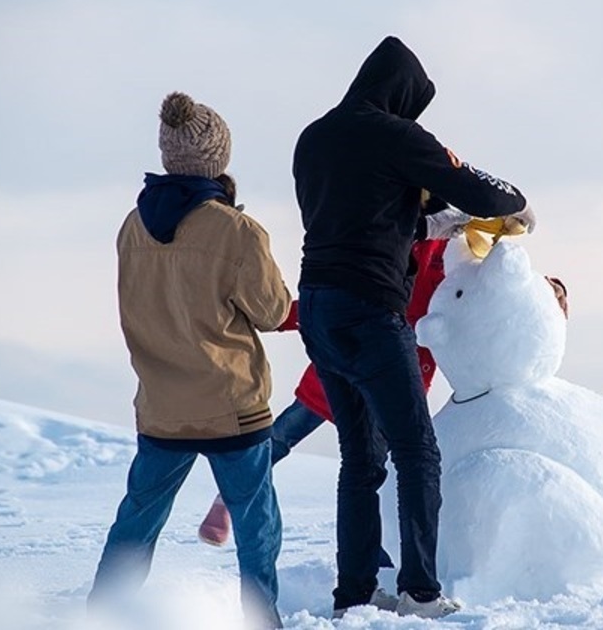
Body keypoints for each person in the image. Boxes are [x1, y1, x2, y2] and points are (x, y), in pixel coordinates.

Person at [291, 36, 535, 619]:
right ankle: (420, 591)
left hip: (318, 307)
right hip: (372, 310)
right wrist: (513, 202)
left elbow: (360, 218)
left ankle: (353, 592)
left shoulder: (313, 138)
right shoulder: (396, 135)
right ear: (403, 95)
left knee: (360, 458)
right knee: (417, 452)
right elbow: (474, 184)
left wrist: (428, 223)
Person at [88, 91, 292, 630]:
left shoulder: (132, 226)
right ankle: (261, 621)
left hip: (161, 404)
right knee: (257, 528)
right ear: (219, 159)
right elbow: (271, 312)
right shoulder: (236, 229)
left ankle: (101, 618)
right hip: (232, 407)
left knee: (136, 522)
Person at [198, 237, 449, 549]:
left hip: (396, 379)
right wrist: (276, 317)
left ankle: (381, 554)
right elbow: (338, 298)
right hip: (343, 365)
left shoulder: (456, 253)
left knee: (384, 472)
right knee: (280, 438)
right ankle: (227, 499)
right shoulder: (387, 239)